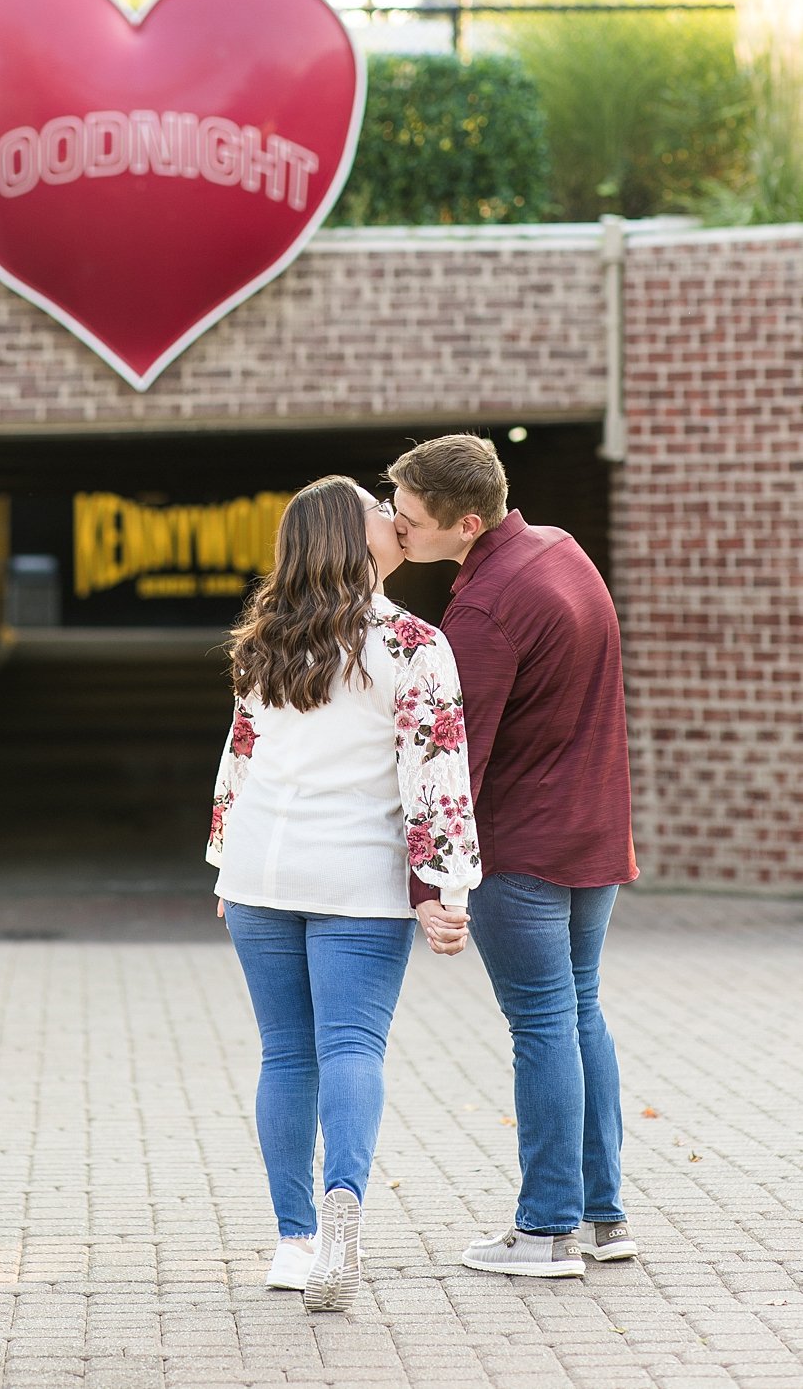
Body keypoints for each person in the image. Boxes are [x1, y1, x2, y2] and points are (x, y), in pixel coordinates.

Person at [208, 474, 482, 1313]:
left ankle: (292, 1241)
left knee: (285, 1054)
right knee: (352, 1050)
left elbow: (238, 756)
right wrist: (446, 885)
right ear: (351, 536)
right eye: (377, 508)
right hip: (356, 877)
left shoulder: (264, 639)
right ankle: (343, 1211)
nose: (393, 516)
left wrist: (224, 860)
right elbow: (435, 773)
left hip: (261, 870)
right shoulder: (412, 644)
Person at [389, 434, 638, 1281]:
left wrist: (430, 879)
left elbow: (459, 759)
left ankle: (544, 1232)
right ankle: (603, 1218)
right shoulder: (560, 550)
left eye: (409, 515)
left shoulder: (483, 610)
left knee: (542, 1025)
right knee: (578, 1012)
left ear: (464, 521)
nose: (397, 524)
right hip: (593, 834)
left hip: (523, 849)